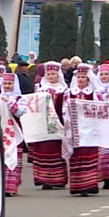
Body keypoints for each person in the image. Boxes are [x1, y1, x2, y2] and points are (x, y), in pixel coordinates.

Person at [63, 64, 104, 196]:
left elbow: (101, 109)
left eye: (83, 77)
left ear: (88, 79)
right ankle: (76, 185)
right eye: (79, 77)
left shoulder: (94, 93)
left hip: (90, 129)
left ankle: (89, 184)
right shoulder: (69, 93)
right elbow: (64, 109)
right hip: (75, 128)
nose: (80, 80)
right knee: (76, 155)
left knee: (88, 154)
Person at [31, 61, 68, 190]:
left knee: (56, 150)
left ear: (59, 75)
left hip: (57, 123)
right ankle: (44, 178)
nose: (51, 76)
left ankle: (58, 179)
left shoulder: (64, 90)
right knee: (42, 149)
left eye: (53, 74)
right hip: (42, 124)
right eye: (49, 74)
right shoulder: (40, 89)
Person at [0, 73, 27, 196]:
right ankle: (2, 185)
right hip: (2, 129)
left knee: (15, 156)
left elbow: (20, 112)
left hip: (15, 129)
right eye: (5, 84)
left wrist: (10, 102)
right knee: (3, 156)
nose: (7, 86)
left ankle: (11, 186)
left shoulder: (20, 98)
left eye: (9, 84)